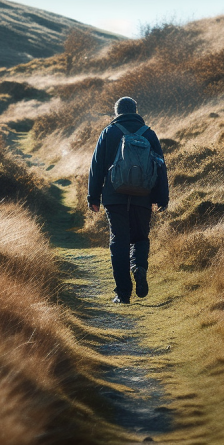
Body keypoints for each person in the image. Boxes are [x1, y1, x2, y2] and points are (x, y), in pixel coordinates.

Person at [87, 96, 169, 304]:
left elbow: (96, 167)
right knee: (140, 237)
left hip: (114, 197)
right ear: (135, 110)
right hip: (143, 197)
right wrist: (162, 198)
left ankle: (123, 294)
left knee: (119, 241)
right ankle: (138, 266)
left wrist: (93, 197)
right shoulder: (149, 133)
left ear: (117, 112)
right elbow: (160, 167)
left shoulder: (109, 132)